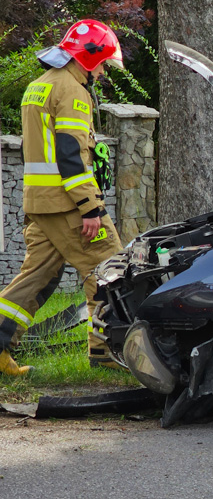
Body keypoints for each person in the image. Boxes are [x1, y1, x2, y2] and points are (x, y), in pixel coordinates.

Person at [0, 19, 124, 375]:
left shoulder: (39, 86)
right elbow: (71, 154)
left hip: (40, 202)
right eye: (101, 64)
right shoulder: (71, 90)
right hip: (68, 204)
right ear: (87, 57)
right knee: (110, 271)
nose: (101, 72)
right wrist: (91, 207)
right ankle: (108, 354)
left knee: (36, 276)